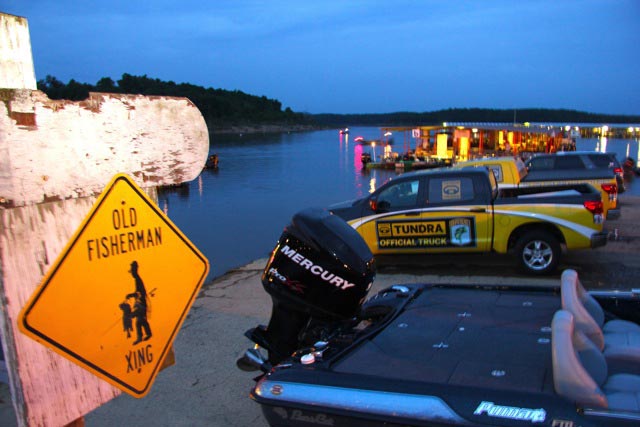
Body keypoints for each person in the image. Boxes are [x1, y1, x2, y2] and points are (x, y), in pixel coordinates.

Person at [126, 261, 152, 345]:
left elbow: (139, 292)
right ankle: (146, 335)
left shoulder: (138, 279)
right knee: (141, 321)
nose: (131, 273)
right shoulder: (137, 279)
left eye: (132, 270)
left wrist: (131, 295)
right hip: (140, 303)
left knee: (140, 321)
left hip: (142, 303)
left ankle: (144, 336)